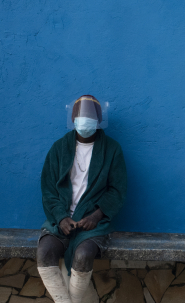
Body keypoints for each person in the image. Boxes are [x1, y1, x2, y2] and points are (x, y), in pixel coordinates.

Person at [36, 95, 127, 303]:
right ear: (73, 118)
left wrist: (96, 215)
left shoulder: (112, 150)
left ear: (98, 119)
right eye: (80, 116)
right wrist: (60, 217)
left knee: (84, 255)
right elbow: (49, 190)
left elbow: (117, 190)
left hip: (92, 223)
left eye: (89, 116)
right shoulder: (59, 148)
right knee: (44, 251)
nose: (84, 121)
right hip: (61, 220)